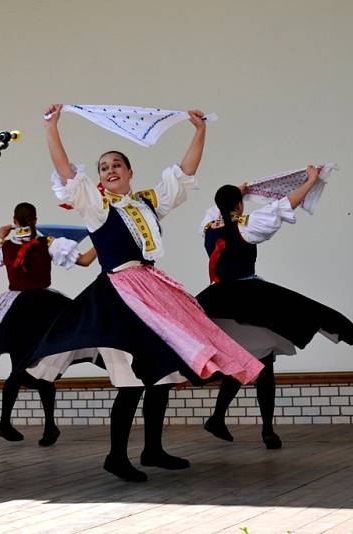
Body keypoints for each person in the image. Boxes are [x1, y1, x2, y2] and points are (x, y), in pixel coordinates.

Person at [35, 104, 263, 482]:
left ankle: (153, 449)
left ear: (129, 172)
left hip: (153, 289)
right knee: (130, 378)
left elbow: (185, 173)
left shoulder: (146, 202)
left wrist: (199, 130)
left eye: (116, 165)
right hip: (119, 295)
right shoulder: (95, 205)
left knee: (161, 373)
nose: (109, 171)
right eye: (104, 167)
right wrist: (52, 128)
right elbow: (65, 172)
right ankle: (116, 456)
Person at [198, 168, 353, 448]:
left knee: (245, 360)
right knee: (268, 356)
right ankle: (266, 430)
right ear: (238, 205)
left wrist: (238, 192)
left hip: (217, 301)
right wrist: (310, 181)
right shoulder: (245, 224)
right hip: (246, 298)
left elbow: (217, 209)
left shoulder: (209, 224)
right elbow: (284, 206)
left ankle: (220, 418)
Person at [0, 202, 96, 446]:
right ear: (35, 219)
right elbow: (84, 261)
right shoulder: (50, 243)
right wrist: (102, 239)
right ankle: (46, 426)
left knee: (20, 367)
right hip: (46, 310)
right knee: (44, 370)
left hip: (16, 310)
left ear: (15, 220)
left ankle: (11, 422)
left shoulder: (3, 246)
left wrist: (0, 235)